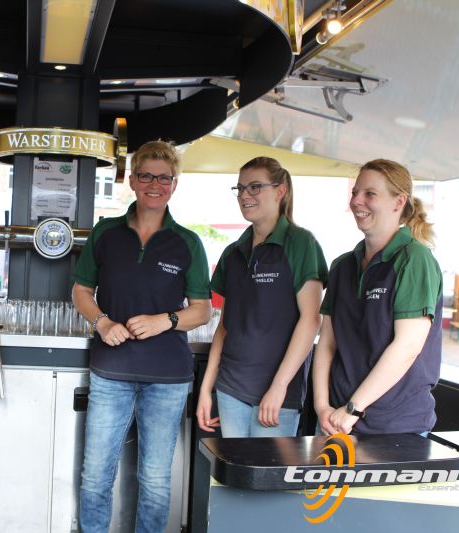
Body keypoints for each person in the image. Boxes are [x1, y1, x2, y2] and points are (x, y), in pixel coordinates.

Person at [73, 140, 211, 533]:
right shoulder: (106, 233)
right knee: (96, 474)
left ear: (174, 185)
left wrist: (164, 320)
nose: (155, 185)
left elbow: (202, 310)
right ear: (132, 181)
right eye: (146, 176)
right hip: (110, 372)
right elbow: (81, 291)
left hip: (167, 378)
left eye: (163, 178)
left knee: (154, 480)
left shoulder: (187, 242)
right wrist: (102, 322)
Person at [197, 157, 326, 438]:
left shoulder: (301, 243)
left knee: (268, 468)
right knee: (232, 468)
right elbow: (225, 327)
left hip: (278, 393)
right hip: (230, 388)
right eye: (240, 188)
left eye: (255, 187)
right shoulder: (233, 252)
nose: (245, 195)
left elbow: (311, 320)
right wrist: (206, 389)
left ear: (280, 191)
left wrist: (279, 386)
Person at [313, 159, 442, 436]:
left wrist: (353, 409)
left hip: (395, 426)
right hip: (334, 420)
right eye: (355, 193)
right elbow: (327, 343)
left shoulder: (414, 259)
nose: (356, 201)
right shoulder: (343, 266)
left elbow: (407, 346)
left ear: (399, 202)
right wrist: (322, 406)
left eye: (370, 194)